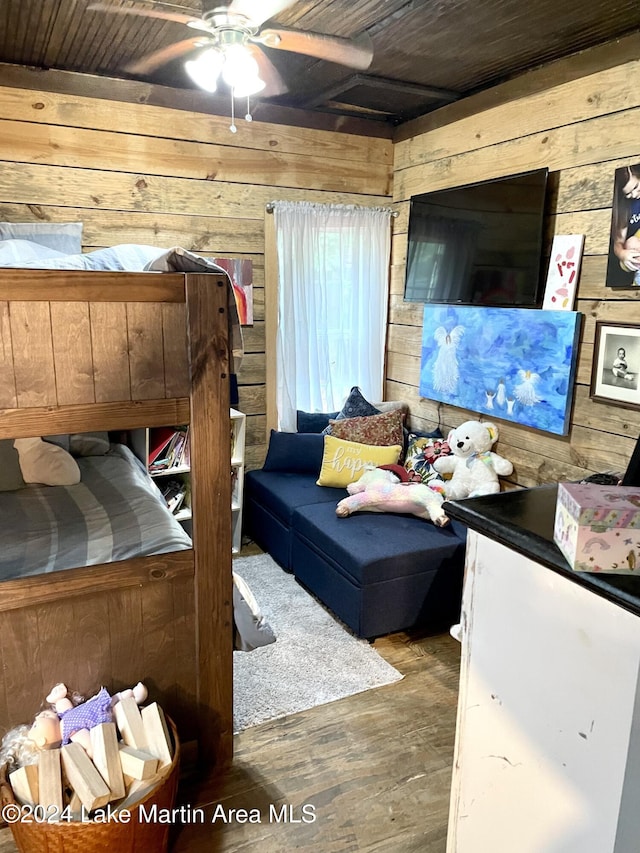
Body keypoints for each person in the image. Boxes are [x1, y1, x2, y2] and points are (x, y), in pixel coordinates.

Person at [612, 165, 640, 285]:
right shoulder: (625, 208)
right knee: (631, 242)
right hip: (635, 244)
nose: (634, 194)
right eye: (628, 193)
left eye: (636, 187)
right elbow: (618, 242)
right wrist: (622, 254)